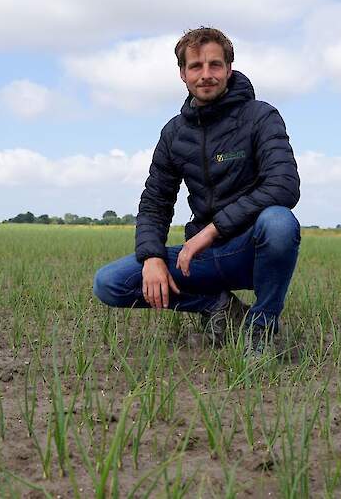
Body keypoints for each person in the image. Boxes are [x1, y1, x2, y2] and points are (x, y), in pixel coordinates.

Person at [92, 27, 301, 356]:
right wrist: (152, 257)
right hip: (202, 259)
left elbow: (284, 185)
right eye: (196, 67)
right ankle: (220, 308)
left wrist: (211, 231)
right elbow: (155, 202)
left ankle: (262, 328)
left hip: (251, 251)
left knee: (279, 222)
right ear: (182, 74)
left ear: (229, 69)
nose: (206, 75)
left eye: (215, 65)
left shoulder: (261, 117)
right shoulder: (174, 133)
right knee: (110, 282)